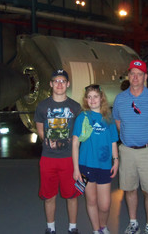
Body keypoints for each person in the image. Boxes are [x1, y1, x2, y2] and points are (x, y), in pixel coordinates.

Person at [112, 59, 148, 234]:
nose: (135, 77)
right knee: (129, 189)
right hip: (127, 151)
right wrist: (130, 138)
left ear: (145, 77)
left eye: (139, 74)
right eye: (132, 74)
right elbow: (118, 122)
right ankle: (133, 222)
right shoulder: (120, 99)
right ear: (128, 76)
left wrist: (146, 139)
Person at [34, 69, 82, 234]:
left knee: (72, 196)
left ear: (68, 84)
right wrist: (51, 143)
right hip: (48, 158)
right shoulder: (42, 106)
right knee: (49, 196)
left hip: (69, 159)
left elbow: (78, 135)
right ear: (51, 84)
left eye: (63, 81)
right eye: (56, 81)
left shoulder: (76, 107)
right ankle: (51, 227)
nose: (59, 84)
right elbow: (40, 130)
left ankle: (73, 228)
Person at [72, 84, 119, 234]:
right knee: (91, 201)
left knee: (104, 205)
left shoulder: (108, 118)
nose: (92, 100)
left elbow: (113, 141)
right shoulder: (82, 117)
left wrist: (116, 160)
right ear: (86, 99)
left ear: (101, 98)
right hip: (86, 165)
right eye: (89, 97)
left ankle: (103, 226)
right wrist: (76, 169)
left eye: (95, 96)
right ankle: (96, 229)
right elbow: (75, 143)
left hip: (104, 165)